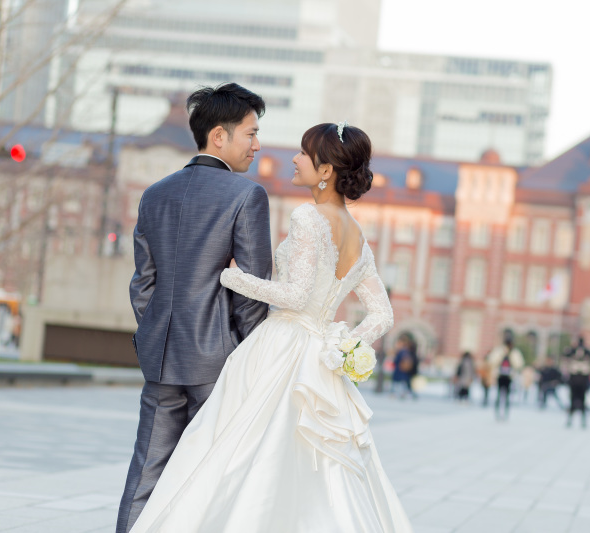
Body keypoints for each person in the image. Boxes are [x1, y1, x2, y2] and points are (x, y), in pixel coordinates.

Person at [127, 121, 411, 532]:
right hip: (320, 358)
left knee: (234, 452)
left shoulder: (308, 217)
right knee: (307, 467)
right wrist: (341, 346)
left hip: (282, 345)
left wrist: (231, 277)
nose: (293, 159)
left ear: (326, 170)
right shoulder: (359, 237)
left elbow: (295, 295)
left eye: (302, 152)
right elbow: (382, 314)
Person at [117, 84, 272, 533]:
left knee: (145, 473)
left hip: (160, 359)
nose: (257, 145)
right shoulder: (246, 196)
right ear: (219, 136)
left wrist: (153, 336)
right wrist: (248, 354)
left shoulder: (154, 194)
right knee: (215, 477)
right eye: (251, 133)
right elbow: (252, 290)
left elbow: (143, 284)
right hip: (218, 364)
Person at [561, 337, 590, 428]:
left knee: (573, 400)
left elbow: (565, 355)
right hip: (582, 379)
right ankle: (581, 420)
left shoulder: (573, 351)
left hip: (575, 379)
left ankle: (571, 420)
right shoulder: (586, 352)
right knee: (582, 401)